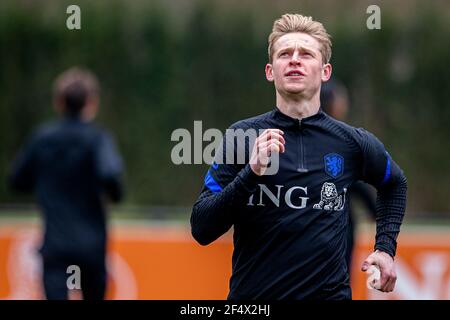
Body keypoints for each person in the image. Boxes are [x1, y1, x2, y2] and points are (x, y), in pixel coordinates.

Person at [191, 14, 407, 299]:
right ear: (270, 71)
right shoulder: (242, 136)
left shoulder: (352, 142)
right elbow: (202, 228)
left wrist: (385, 248)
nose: (294, 59)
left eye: (305, 53)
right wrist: (251, 172)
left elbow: (395, 184)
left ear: (325, 71)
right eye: (284, 54)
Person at [9, 67, 124, 300]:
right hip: (92, 246)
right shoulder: (98, 139)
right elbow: (112, 178)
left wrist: (46, 184)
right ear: (91, 103)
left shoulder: (42, 139)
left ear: (59, 102)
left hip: (56, 245)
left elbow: (17, 180)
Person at [320, 78, 378, 275]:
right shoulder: (341, 141)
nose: (345, 104)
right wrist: (376, 212)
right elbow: (357, 184)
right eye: (341, 99)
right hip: (336, 230)